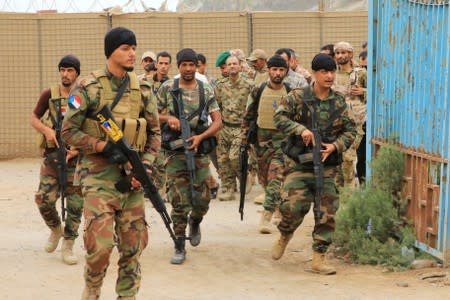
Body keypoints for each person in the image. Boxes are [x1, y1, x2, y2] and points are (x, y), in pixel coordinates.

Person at [62, 27, 161, 299]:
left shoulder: (142, 88)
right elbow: (67, 130)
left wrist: (147, 166)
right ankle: (93, 286)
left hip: (133, 178)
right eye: (125, 48)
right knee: (101, 246)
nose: (132, 53)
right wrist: (102, 145)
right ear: (111, 52)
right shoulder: (87, 88)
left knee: (133, 247)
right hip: (98, 177)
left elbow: (155, 133)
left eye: (134, 48)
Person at [272, 53, 356, 275]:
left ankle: (319, 258)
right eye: (324, 72)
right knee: (292, 208)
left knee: (327, 213)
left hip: (327, 168)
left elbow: (351, 131)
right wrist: (301, 130)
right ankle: (285, 234)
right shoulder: (298, 97)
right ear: (315, 73)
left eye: (332, 72)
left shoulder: (338, 102)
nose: (329, 76)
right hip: (299, 165)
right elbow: (279, 118)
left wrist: (335, 146)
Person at [157, 48, 222, 265]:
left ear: (196, 66)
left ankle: (195, 220)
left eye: (191, 65)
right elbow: (151, 116)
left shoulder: (205, 89)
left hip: (199, 150)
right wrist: (169, 119)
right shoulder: (167, 88)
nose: (187, 69)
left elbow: (218, 121)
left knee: (203, 198)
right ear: (178, 66)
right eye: (183, 65)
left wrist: (201, 137)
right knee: (179, 201)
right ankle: (179, 244)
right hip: (175, 153)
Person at [30, 54, 84, 266]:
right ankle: (56, 230)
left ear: (77, 73)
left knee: (75, 204)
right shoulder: (49, 94)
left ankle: (69, 244)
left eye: (70, 70)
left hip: (75, 161)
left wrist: (78, 149)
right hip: (52, 158)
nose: (65, 74)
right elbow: (33, 117)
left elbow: (93, 126)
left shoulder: (82, 95)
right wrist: (46, 131)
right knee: (43, 199)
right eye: (62, 69)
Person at [240, 55, 290, 234]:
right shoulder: (258, 90)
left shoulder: (290, 92)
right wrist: (244, 140)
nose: (277, 73)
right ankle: (277, 211)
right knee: (265, 181)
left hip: (283, 144)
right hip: (261, 142)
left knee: (276, 178)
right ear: (269, 70)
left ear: (286, 71)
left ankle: (265, 218)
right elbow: (248, 116)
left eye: (281, 70)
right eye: (274, 69)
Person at [215, 55, 254, 201]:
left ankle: (245, 175)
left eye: (234, 64)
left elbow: (253, 107)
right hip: (224, 126)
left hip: (241, 127)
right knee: (223, 159)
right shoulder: (220, 85)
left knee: (234, 156)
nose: (232, 66)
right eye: (229, 64)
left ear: (239, 66)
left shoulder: (249, 84)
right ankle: (228, 188)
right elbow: (217, 106)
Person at [333, 41, 367, 187]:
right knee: (338, 161)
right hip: (336, 123)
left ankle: (349, 192)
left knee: (348, 158)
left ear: (350, 54)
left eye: (344, 52)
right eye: (338, 53)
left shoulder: (360, 73)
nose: (341, 56)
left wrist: (364, 91)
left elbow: (377, 93)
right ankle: (341, 194)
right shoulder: (332, 74)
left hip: (356, 123)